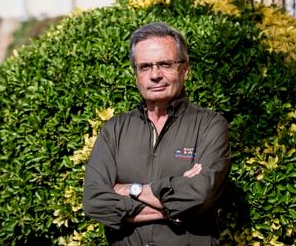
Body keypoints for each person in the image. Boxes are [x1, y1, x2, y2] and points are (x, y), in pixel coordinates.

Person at [83, 22, 231, 245]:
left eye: (165, 64)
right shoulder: (114, 130)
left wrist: (128, 190)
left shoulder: (210, 125)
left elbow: (200, 195)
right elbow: (95, 201)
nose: (155, 75)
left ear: (185, 69)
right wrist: (177, 203)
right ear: (136, 75)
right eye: (145, 66)